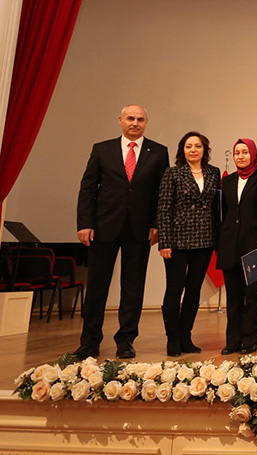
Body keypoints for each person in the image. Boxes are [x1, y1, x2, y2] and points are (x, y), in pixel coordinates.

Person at [75, 105, 169, 359]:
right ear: (120, 121)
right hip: (103, 228)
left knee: (133, 287)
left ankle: (126, 339)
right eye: (130, 118)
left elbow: (162, 193)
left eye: (140, 119)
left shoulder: (159, 152)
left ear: (146, 123)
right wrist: (85, 223)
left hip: (139, 230)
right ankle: (89, 341)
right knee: (97, 287)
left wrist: (157, 223)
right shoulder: (101, 149)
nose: (135, 123)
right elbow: (87, 189)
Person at [156, 132, 221, 357]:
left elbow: (216, 208)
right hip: (177, 241)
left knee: (193, 291)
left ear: (205, 150)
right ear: (182, 150)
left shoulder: (213, 173)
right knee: (174, 289)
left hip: (204, 239)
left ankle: (186, 335)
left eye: (197, 146)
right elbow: (164, 209)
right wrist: (164, 242)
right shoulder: (172, 173)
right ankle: (172, 338)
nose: (193, 150)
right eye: (188, 146)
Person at [217, 138, 257, 355]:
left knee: (251, 296)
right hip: (230, 245)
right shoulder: (228, 181)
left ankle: (249, 341)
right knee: (233, 296)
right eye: (237, 153)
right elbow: (224, 213)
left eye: (244, 152)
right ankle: (232, 341)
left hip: (255, 246)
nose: (240, 156)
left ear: (253, 154)